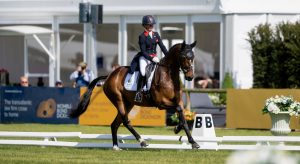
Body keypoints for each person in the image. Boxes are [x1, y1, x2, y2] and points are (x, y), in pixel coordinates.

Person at [130, 15, 168, 102]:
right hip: (144, 58)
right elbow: (143, 51)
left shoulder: (156, 35)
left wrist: (168, 55)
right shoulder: (142, 36)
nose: (151, 26)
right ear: (145, 26)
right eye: (149, 25)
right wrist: (152, 59)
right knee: (143, 72)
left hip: (154, 57)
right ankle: (138, 92)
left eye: (152, 25)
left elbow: (162, 47)